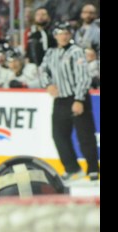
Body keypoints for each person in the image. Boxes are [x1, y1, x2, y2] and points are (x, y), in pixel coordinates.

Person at [39, 22, 99, 182]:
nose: (63, 36)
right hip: (60, 99)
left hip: (77, 97)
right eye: (60, 33)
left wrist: (79, 99)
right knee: (59, 135)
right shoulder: (51, 52)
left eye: (66, 33)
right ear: (55, 36)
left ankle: (93, 169)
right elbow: (43, 70)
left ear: (70, 35)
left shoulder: (77, 51)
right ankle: (72, 168)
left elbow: (83, 77)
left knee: (85, 135)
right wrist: (48, 84)